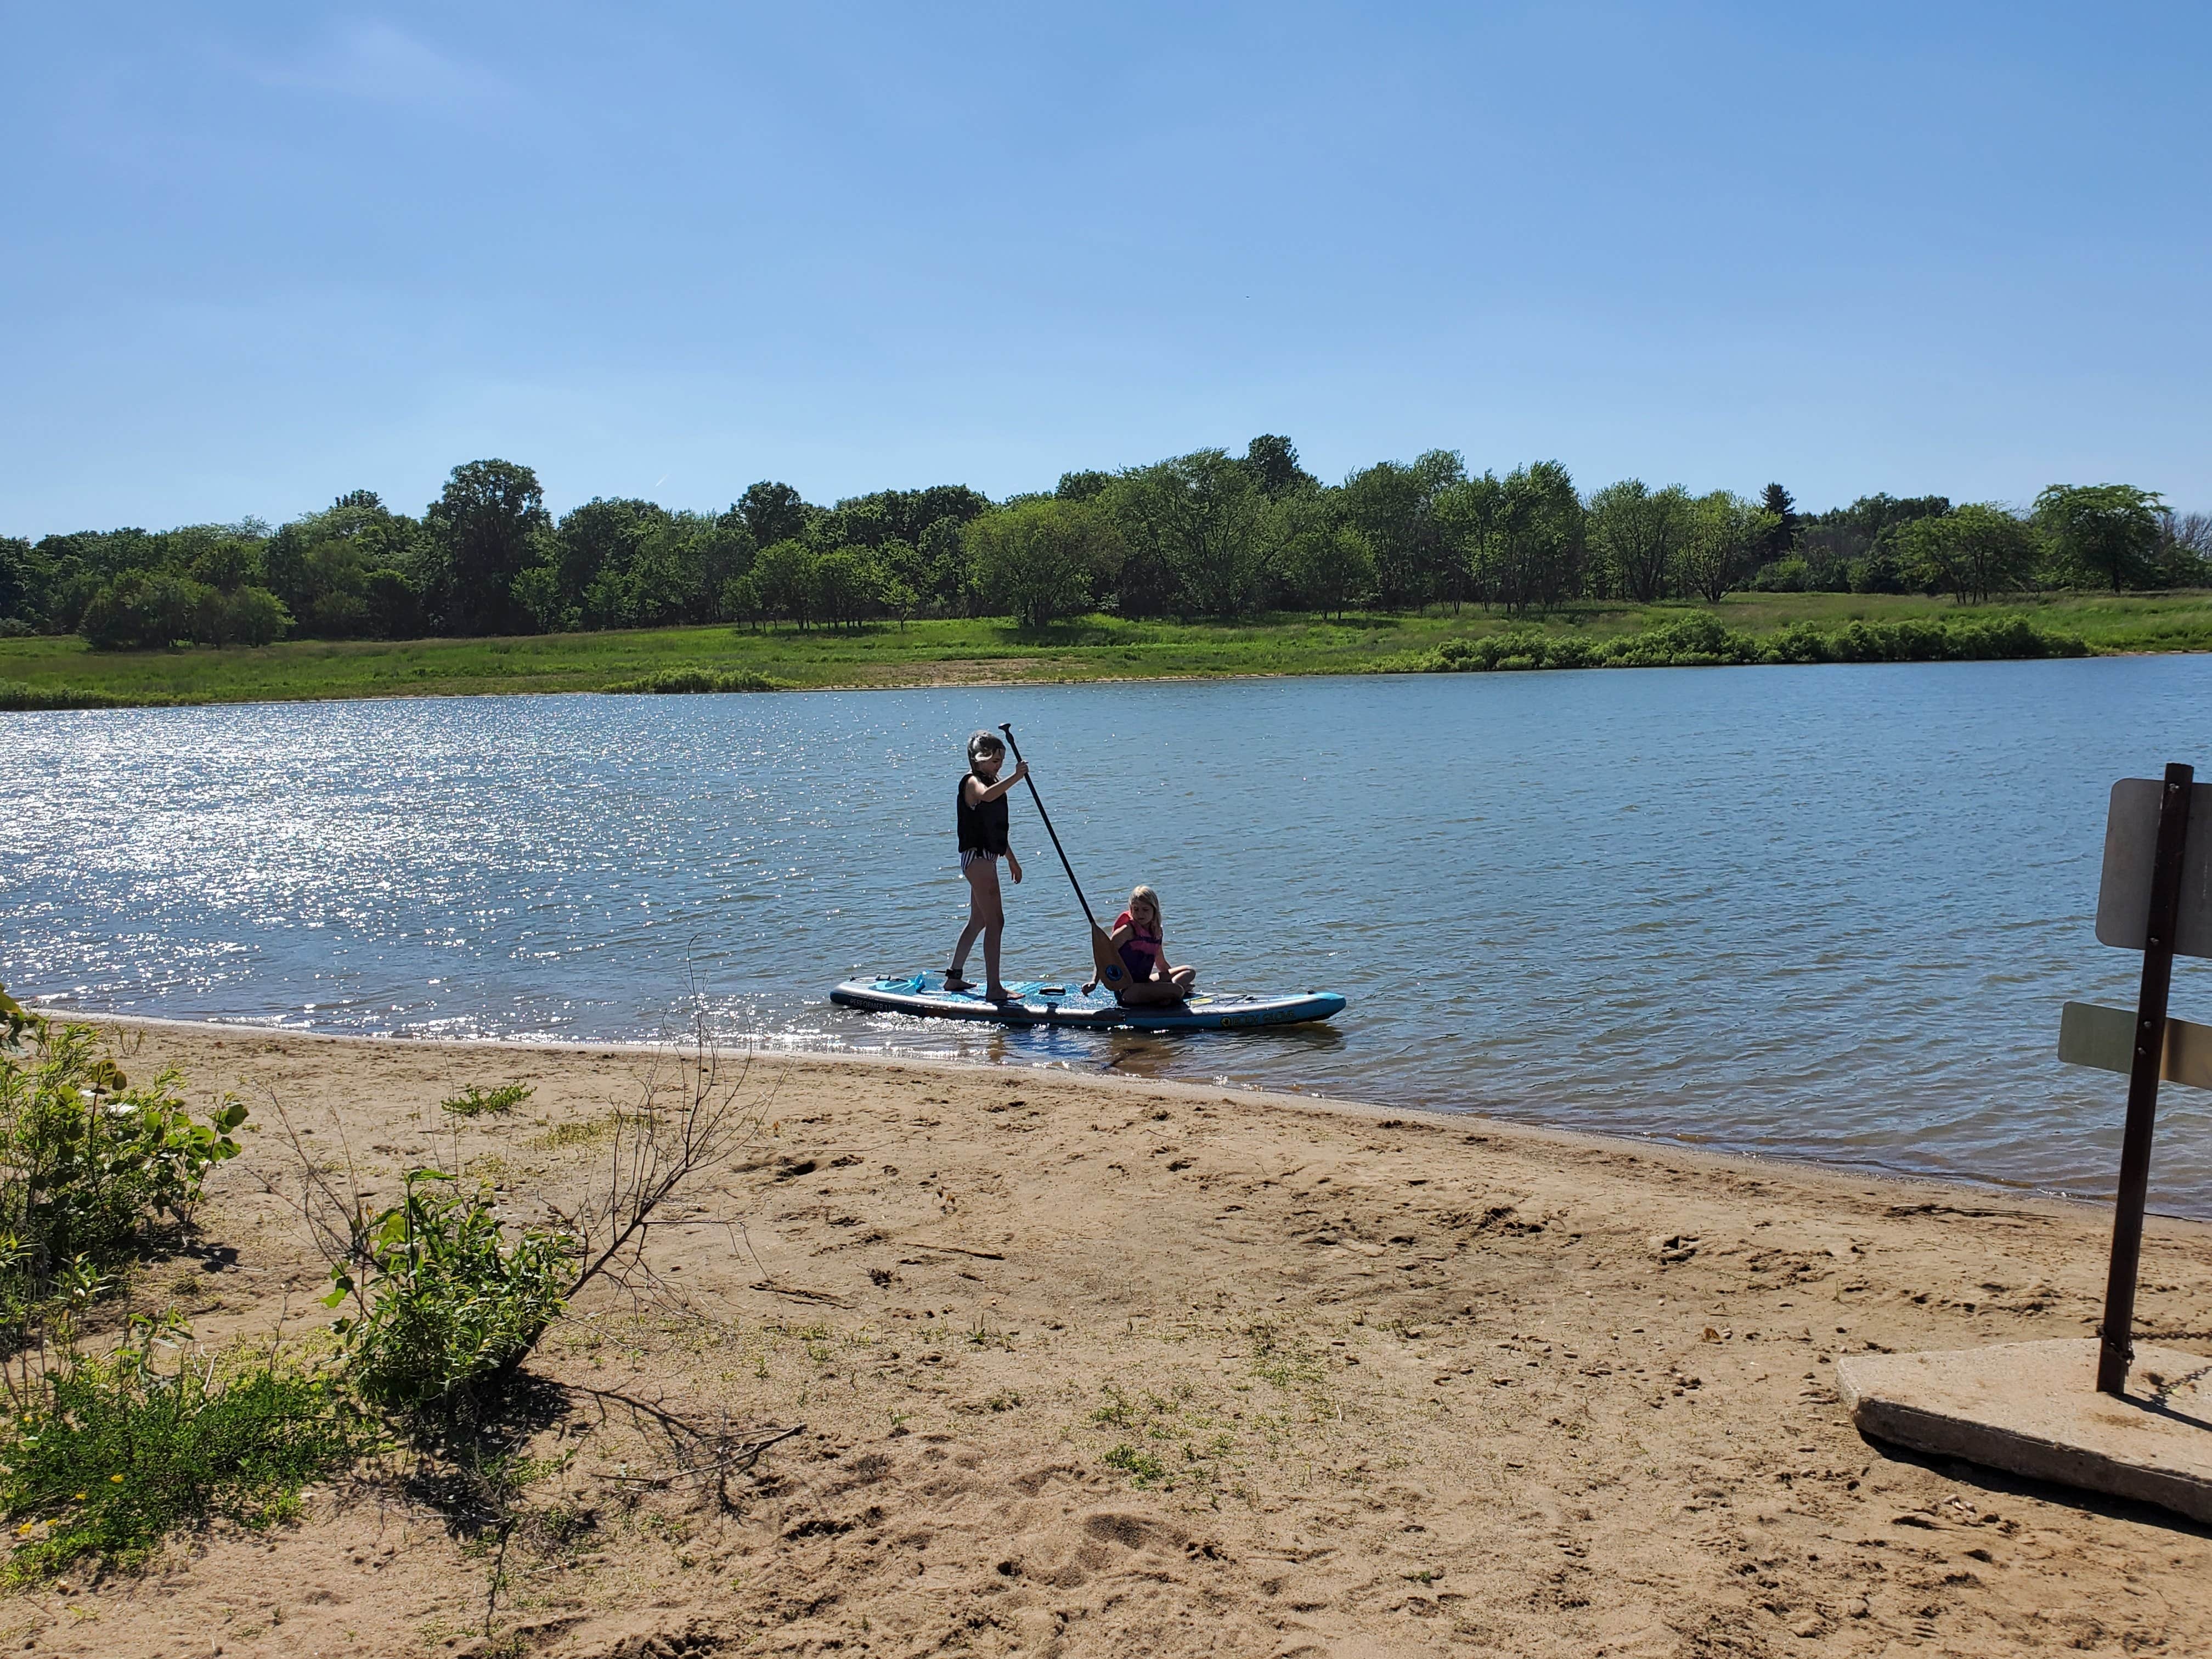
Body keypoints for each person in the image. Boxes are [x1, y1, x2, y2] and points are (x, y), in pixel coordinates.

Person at [945, 730, 1025, 999]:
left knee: (979, 920)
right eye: (993, 760)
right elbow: (987, 796)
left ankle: (954, 977)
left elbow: (996, 830)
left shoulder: (994, 782)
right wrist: (1017, 777)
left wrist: (1011, 860)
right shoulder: (972, 782)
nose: (998, 765)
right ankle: (994, 988)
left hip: (987, 858)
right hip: (977, 860)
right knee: (997, 921)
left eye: (1001, 760)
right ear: (978, 760)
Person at [1105, 884, 1197, 1006]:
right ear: (1131, 909)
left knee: (1189, 971)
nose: (1140, 914)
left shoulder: (1156, 932)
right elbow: (1104, 954)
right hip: (1128, 991)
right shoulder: (1127, 930)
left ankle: (1169, 994)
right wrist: (1094, 982)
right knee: (1178, 990)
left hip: (1145, 983)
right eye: (1136, 909)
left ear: (1154, 910)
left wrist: (1168, 984)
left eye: (1145, 909)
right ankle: (1174, 992)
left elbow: (1162, 964)